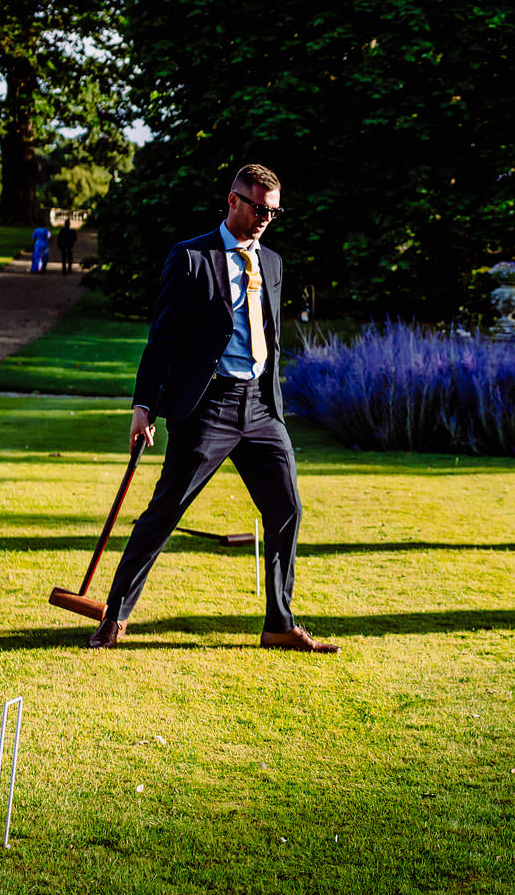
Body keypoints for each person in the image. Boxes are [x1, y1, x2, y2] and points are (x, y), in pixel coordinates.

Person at [88, 163, 336, 653]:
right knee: (165, 510)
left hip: (262, 407)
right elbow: (163, 338)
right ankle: (113, 619)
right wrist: (145, 407)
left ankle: (279, 625)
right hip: (208, 406)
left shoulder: (274, 263)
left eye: (274, 210)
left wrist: (272, 400)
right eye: (259, 207)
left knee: (286, 508)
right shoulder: (190, 258)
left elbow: (271, 336)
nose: (266, 217)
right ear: (233, 200)